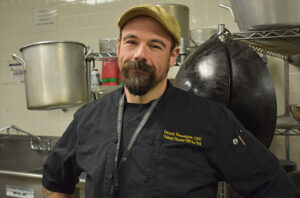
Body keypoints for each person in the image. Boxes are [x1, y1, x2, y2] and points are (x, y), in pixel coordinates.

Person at [42, 4, 297, 198]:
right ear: (119, 47)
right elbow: (55, 182)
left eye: (155, 46)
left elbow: (273, 186)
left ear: (173, 55)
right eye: (132, 42)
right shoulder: (88, 117)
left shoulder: (209, 118)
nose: (140, 55)